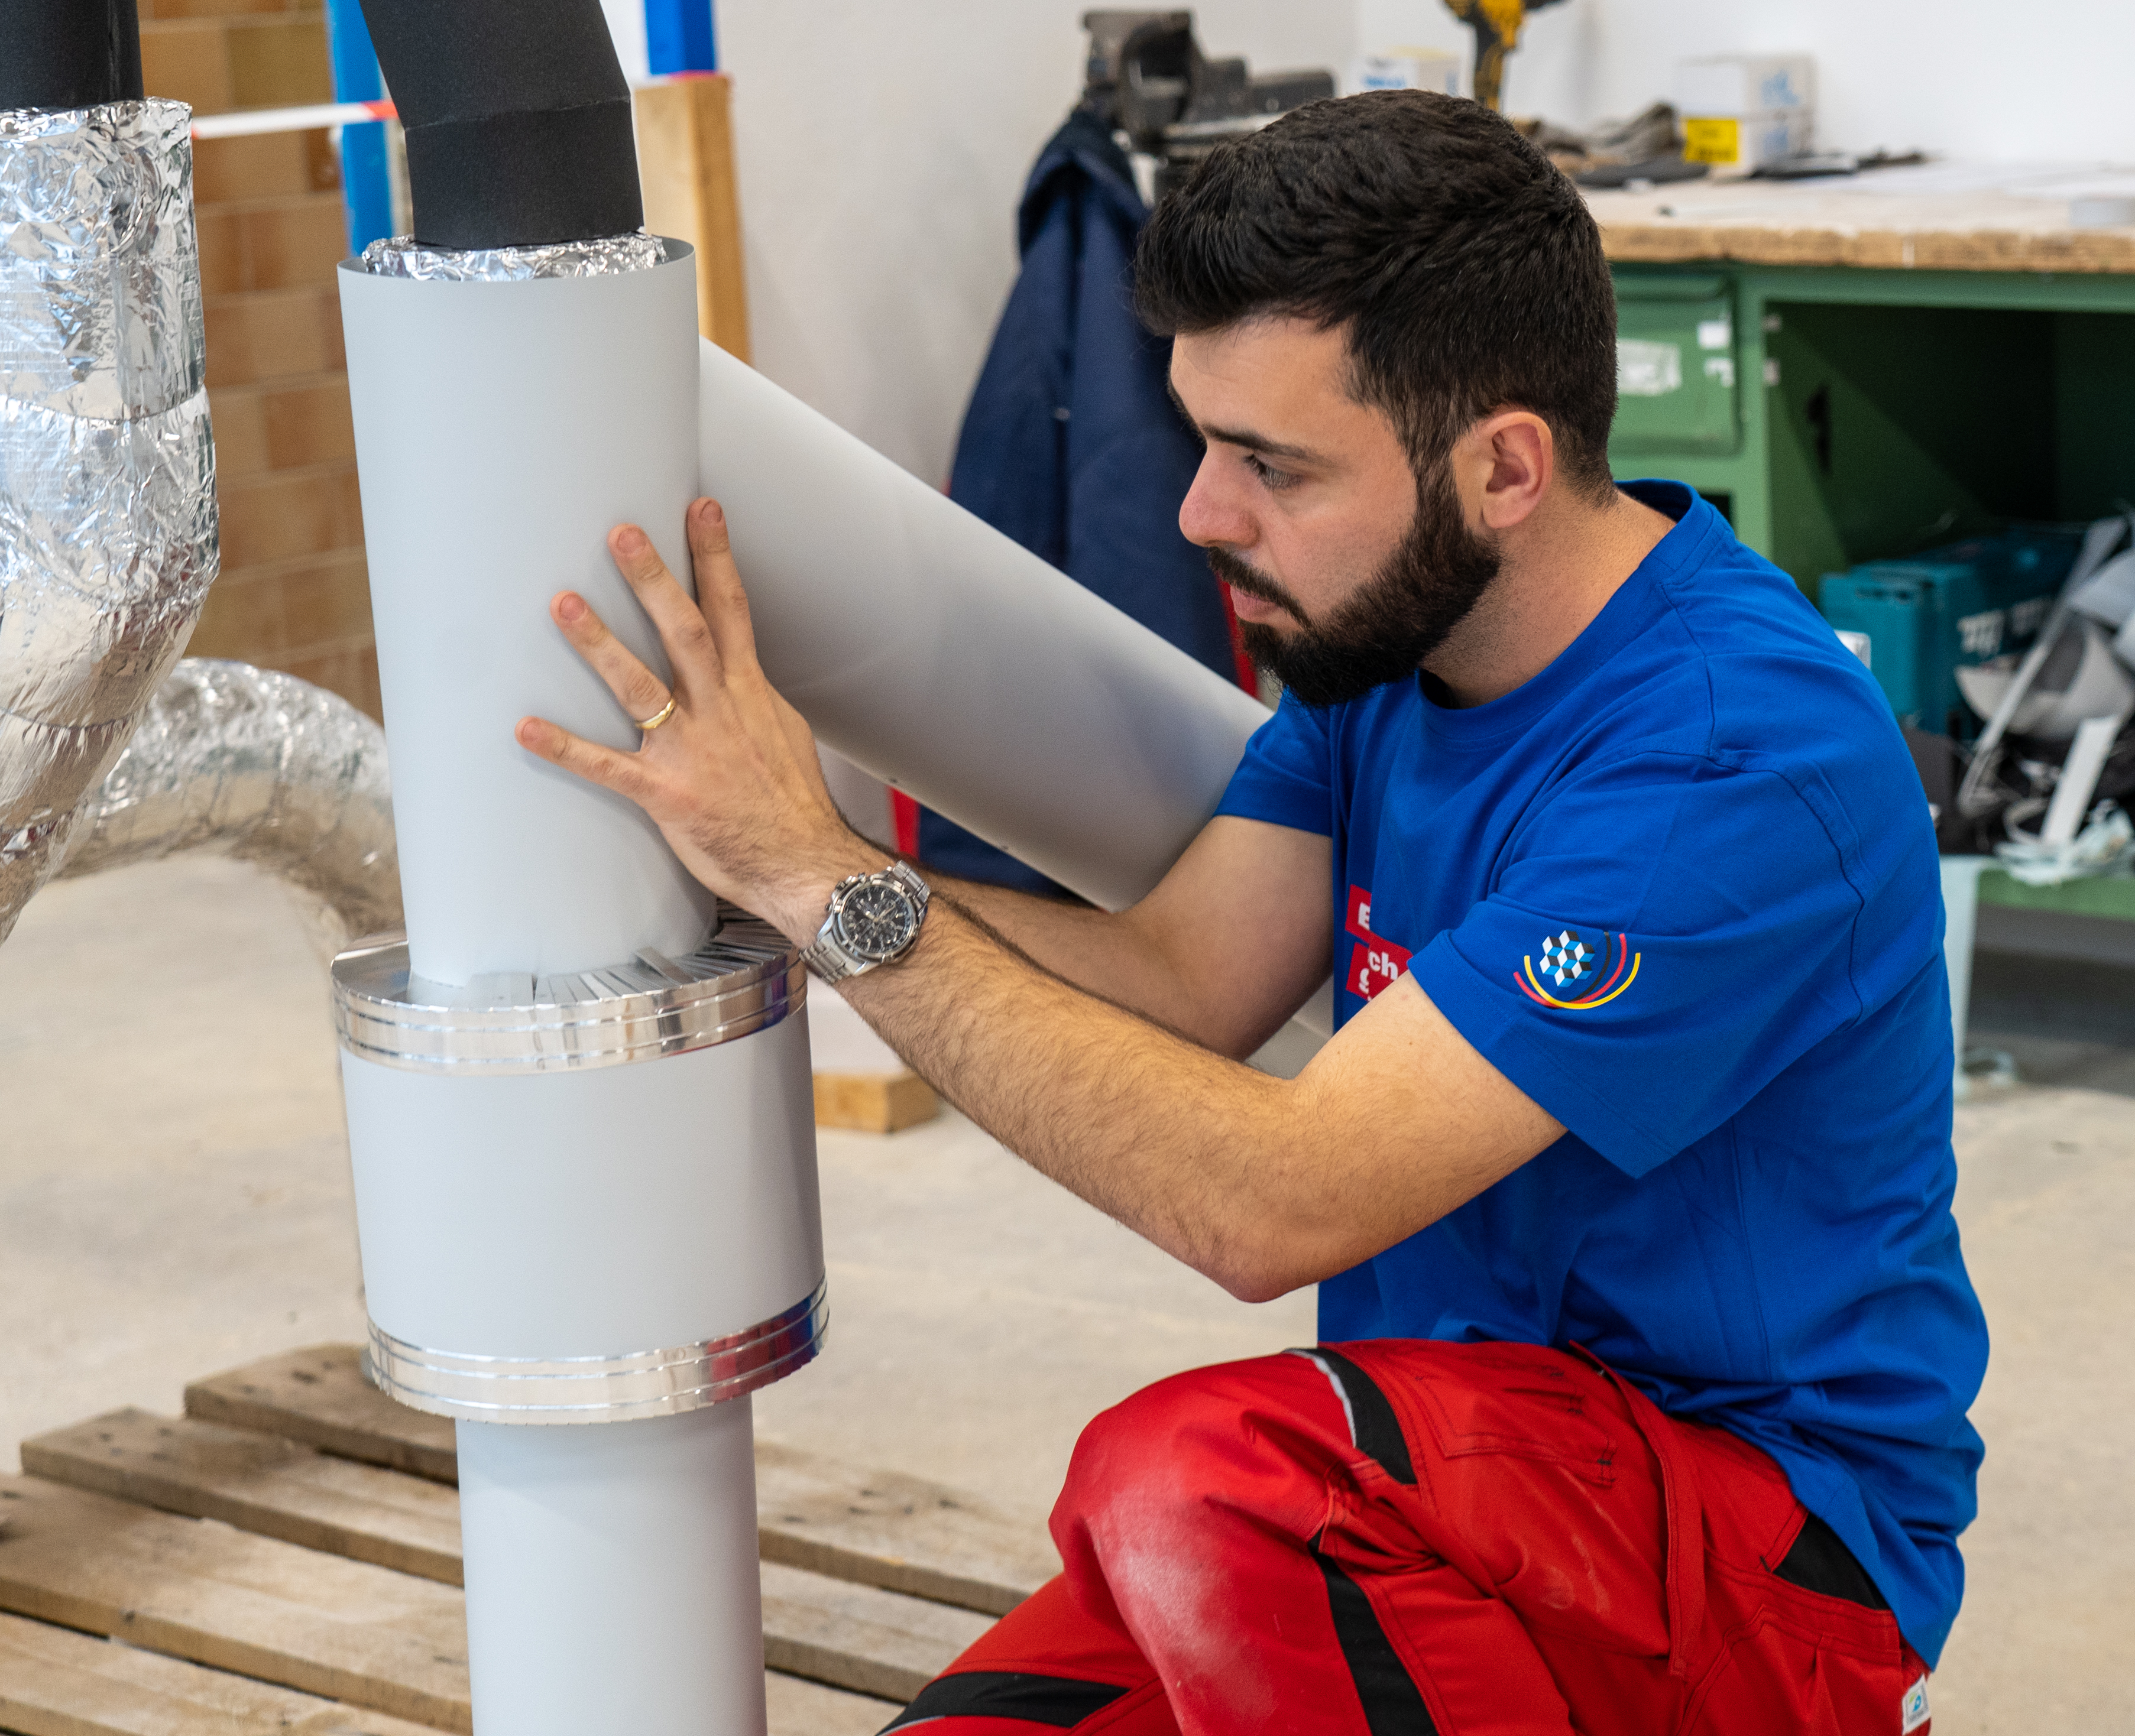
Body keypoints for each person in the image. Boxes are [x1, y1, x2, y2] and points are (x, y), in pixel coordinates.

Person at [515, 89, 1985, 1736]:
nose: (1201, 512)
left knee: (1196, 1477)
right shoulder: (1390, 644)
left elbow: (1273, 1205)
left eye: (1271, 463)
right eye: (1202, 437)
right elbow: (1183, 979)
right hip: (1447, 1508)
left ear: (1503, 464)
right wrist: (775, 858)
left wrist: (827, 881)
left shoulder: (1724, 760)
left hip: (1755, 1561)